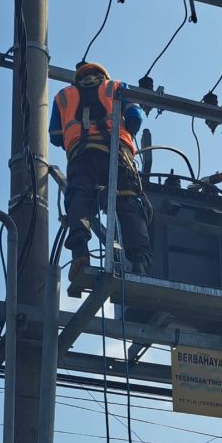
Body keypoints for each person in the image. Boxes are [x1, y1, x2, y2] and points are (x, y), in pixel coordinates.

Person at [49, 62, 152, 281]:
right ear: (103, 75)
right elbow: (135, 117)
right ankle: (140, 264)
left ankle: (80, 253)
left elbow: (55, 136)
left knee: (80, 199)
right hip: (117, 154)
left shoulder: (63, 96)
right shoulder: (115, 86)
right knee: (129, 202)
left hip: (81, 158)